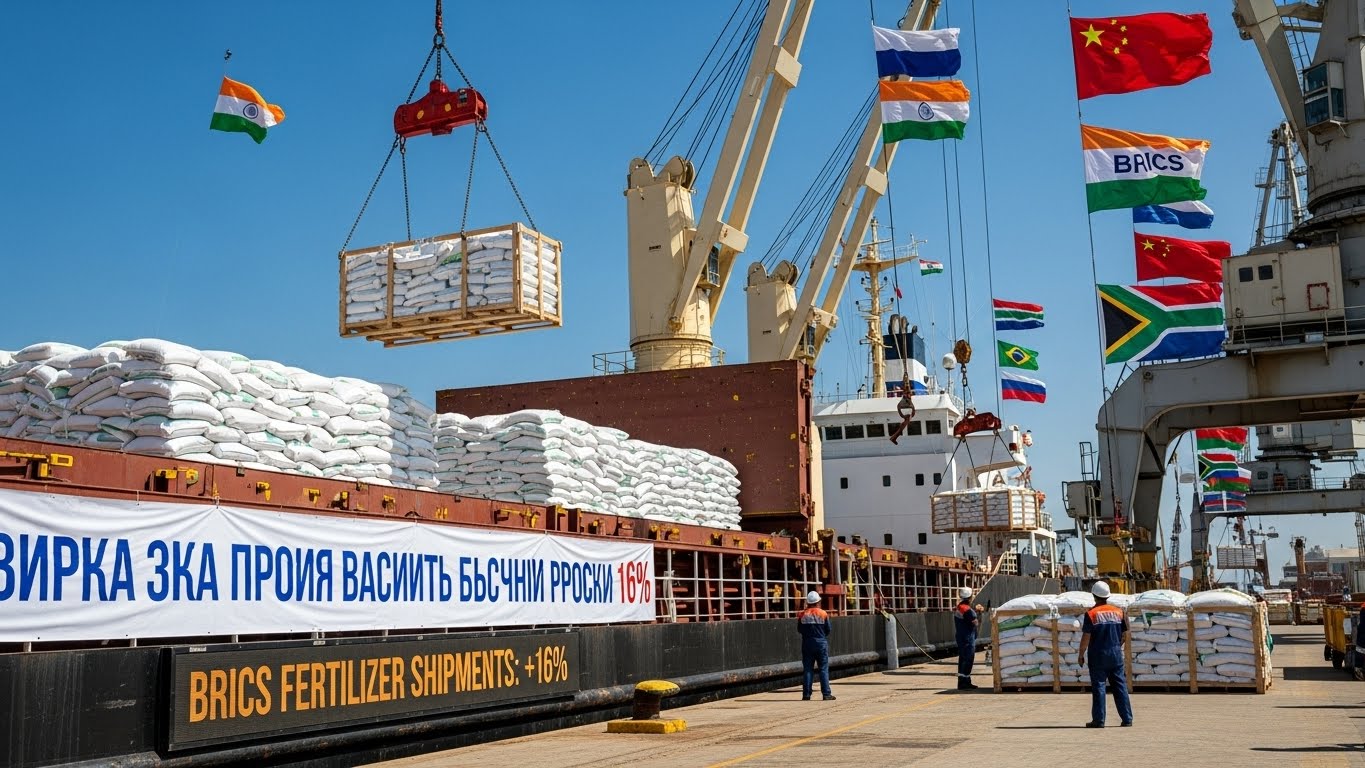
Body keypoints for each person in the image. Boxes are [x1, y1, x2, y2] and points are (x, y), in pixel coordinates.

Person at [1077, 581, 1133, 728]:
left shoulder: (1091, 614)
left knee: (1099, 687)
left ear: (1094, 596)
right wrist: (1116, 646)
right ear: (1107, 596)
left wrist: (1081, 654)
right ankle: (1127, 719)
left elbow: (1086, 637)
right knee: (1120, 686)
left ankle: (1099, 720)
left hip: (1098, 656)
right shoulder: (1119, 612)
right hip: (1115, 655)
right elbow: (1125, 635)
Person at [797, 591, 835, 701]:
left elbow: (799, 630)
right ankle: (826, 694)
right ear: (818, 602)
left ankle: (806, 694)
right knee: (823, 669)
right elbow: (828, 629)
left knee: (808, 669)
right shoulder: (823, 613)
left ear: (807, 602)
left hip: (807, 644)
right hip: (820, 643)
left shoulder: (802, 614)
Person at [954, 586, 980, 690]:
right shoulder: (967, 610)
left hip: (961, 637)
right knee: (968, 659)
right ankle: (964, 683)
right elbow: (975, 623)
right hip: (967, 638)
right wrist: (979, 613)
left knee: (963, 659)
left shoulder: (960, 607)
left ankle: (964, 681)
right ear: (970, 596)